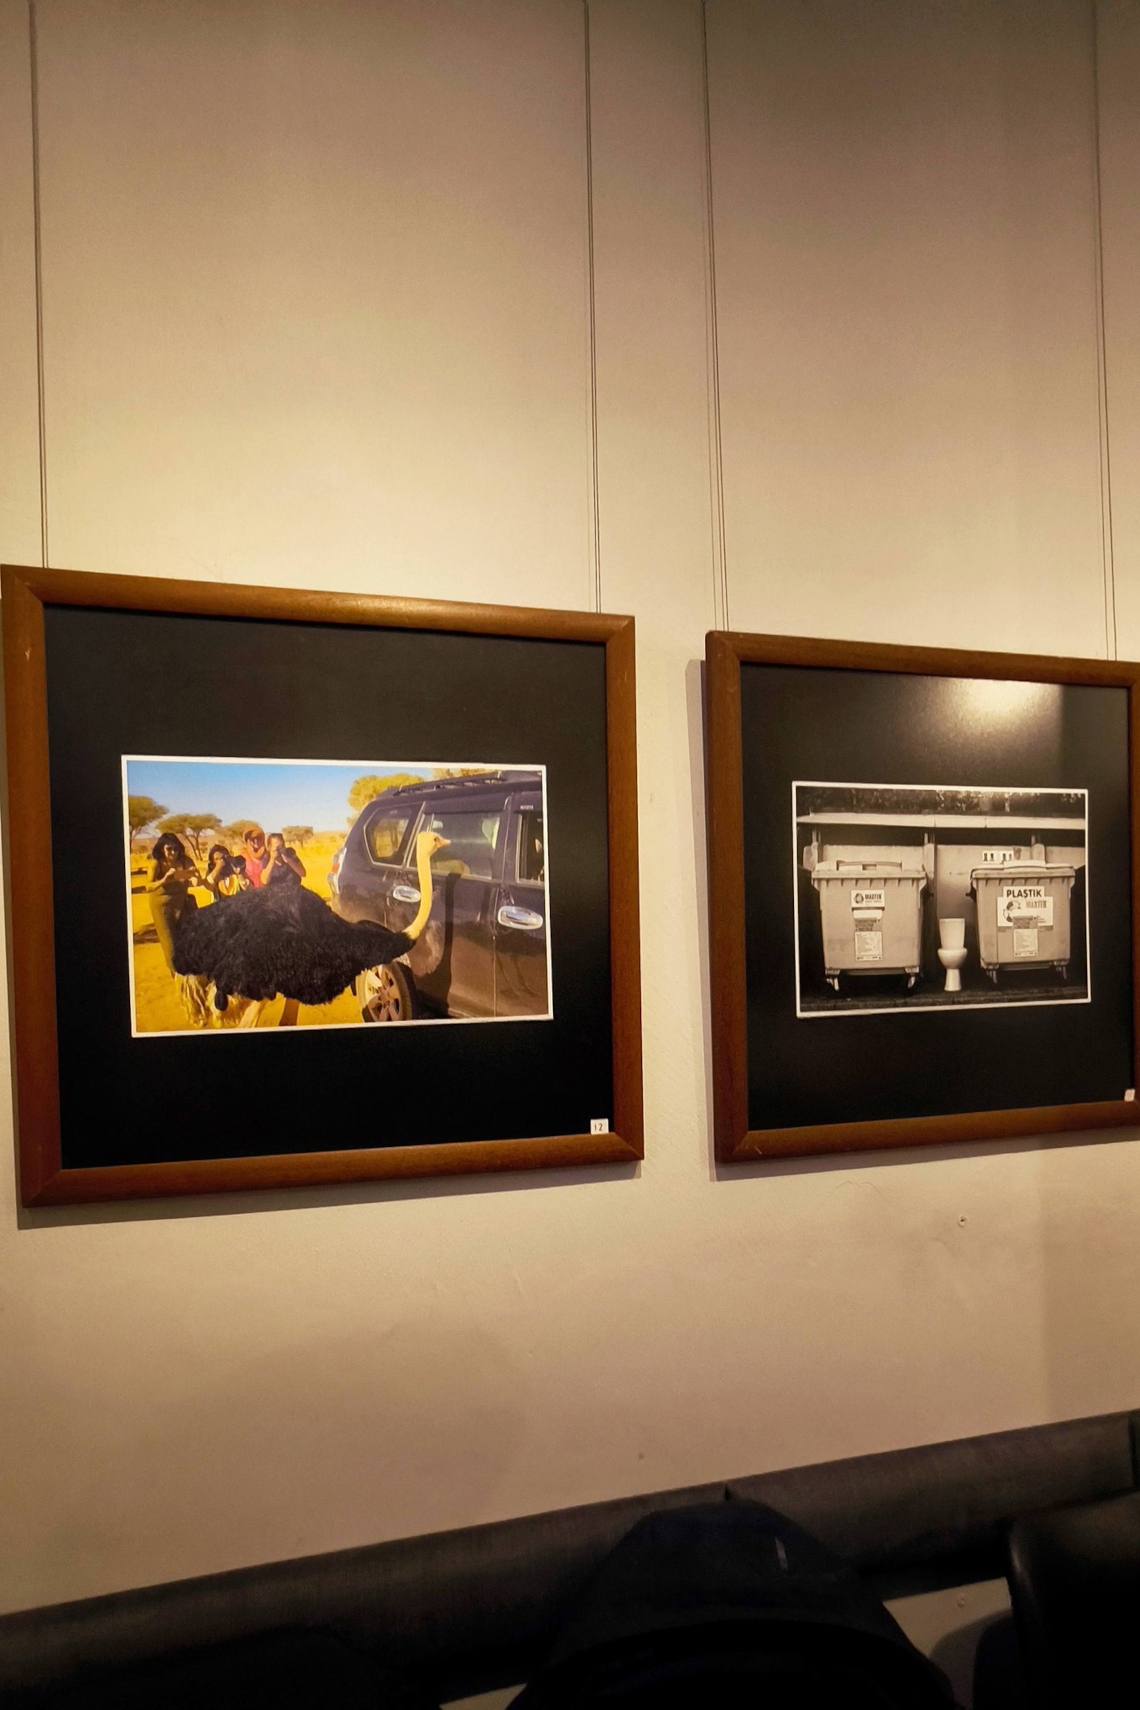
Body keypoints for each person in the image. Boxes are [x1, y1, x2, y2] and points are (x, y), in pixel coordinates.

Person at [146, 833, 200, 972]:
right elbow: (148, 886)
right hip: (163, 908)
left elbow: (196, 881)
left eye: (176, 849)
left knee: (189, 939)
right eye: (169, 849)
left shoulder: (185, 861)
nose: (173, 852)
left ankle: (192, 975)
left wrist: (195, 874)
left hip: (183, 904)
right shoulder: (156, 863)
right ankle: (177, 975)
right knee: (170, 945)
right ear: (161, 849)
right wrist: (164, 880)